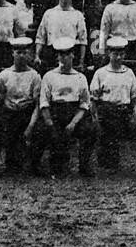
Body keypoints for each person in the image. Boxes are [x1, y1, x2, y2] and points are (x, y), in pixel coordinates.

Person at [0, 36, 42, 176]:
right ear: (12, 53)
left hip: (26, 113)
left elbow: (38, 104)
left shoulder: (34, 76)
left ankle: (34, 164)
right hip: (9, 113)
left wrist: (31, 125)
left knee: (39, 126)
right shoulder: (4, 75)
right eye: (18, 52)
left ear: (29, 54)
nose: (21, 56)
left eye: (24, 52)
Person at [34, 37, 96, 177]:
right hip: (54, 112)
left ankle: (84, 165)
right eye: (61, 54)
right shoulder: (49, 76)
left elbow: (84, 103)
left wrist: (73, 123)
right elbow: (44, 102)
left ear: (73, 55)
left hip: (74, 113)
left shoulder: (80, 77)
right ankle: (41, 165)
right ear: (57, 57)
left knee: (90, 129)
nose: (64, 58)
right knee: (42, 130)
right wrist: (49, 123)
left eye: (67, 54)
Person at [90, 37, 136, 170]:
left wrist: (135, 114)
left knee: (116, 137)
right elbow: (93, 98)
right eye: (115, 54)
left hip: (123, 110)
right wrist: (95, 117)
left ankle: (113, 162)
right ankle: (105, 162)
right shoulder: (101, 73)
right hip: (106, 110)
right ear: (109, 54)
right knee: (107, 136)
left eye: (121, 54)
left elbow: (135, 96)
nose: (118, 57)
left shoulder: (129, 73)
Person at [35, 0, 89, 69]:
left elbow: (83, 40)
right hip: (52, 55)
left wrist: (81, 62)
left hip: (70, 54)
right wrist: (37, 56)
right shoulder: (49, 13)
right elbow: (40, 38)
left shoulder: (77, 15)